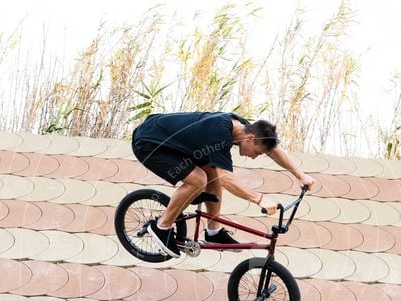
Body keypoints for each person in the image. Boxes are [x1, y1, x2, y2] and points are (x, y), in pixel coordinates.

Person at [131, 111, 315, 258]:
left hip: (174, 143)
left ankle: (213, 232)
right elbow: (226, 179)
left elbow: (273, 149)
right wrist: (259, 199)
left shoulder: (242, 127)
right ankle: (161, 226)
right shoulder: (219, 134)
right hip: (149, 142)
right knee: (198, 180)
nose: (254, 157)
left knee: (212, 172)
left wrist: (299, 174)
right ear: (249, 139)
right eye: (257, 153)